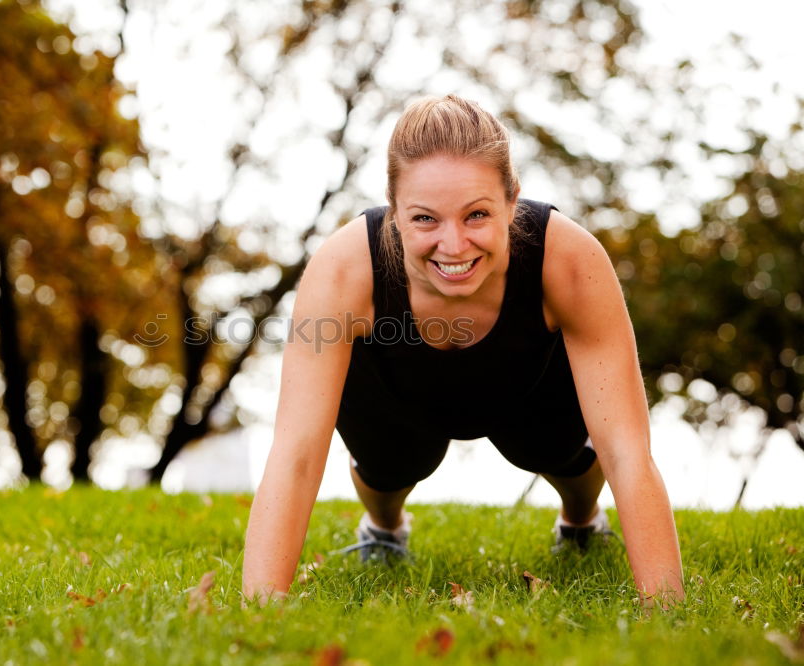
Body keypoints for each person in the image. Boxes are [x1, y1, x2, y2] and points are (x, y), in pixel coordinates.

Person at [242, 95, 685, 608]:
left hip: (531, 391)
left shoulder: (568, 260)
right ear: (393, 210)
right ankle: (385, 531)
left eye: (476, 214)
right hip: (399, 397)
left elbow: (626, 450)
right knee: (389, 466)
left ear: (512, 200)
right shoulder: (343, 271)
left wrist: (666, 608)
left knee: (559, 452)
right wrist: (259, 613)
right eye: (426, 219)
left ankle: (581, 522)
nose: (454, 246)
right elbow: (295, 453)